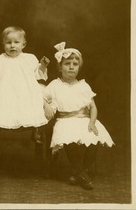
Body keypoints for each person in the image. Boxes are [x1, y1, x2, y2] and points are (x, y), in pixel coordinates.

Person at [43, 42, 114, 190]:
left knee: (93, 143)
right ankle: (81, 174)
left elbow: (93, 107)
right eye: (67, 63)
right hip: (65, 120)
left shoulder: (83, 85)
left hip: (84, 120)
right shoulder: (55, 85)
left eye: (75, 64)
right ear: (60, 67)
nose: (71, 67)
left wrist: (92, 122)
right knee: (71, 143)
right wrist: (46, 105)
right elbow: (42, 97)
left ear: (78, 68)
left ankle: (78, 173)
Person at [0, 26, 51, 145]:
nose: (12, 46)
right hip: (7, 90)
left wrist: (43, 66)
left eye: (16, 42)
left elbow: (37, 75)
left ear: (23, 44)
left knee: (34, 105)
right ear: (3, 44)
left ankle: (36, 130)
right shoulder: (0, 60)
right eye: (8, 43)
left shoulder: (29, 58)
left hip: (27, 90)